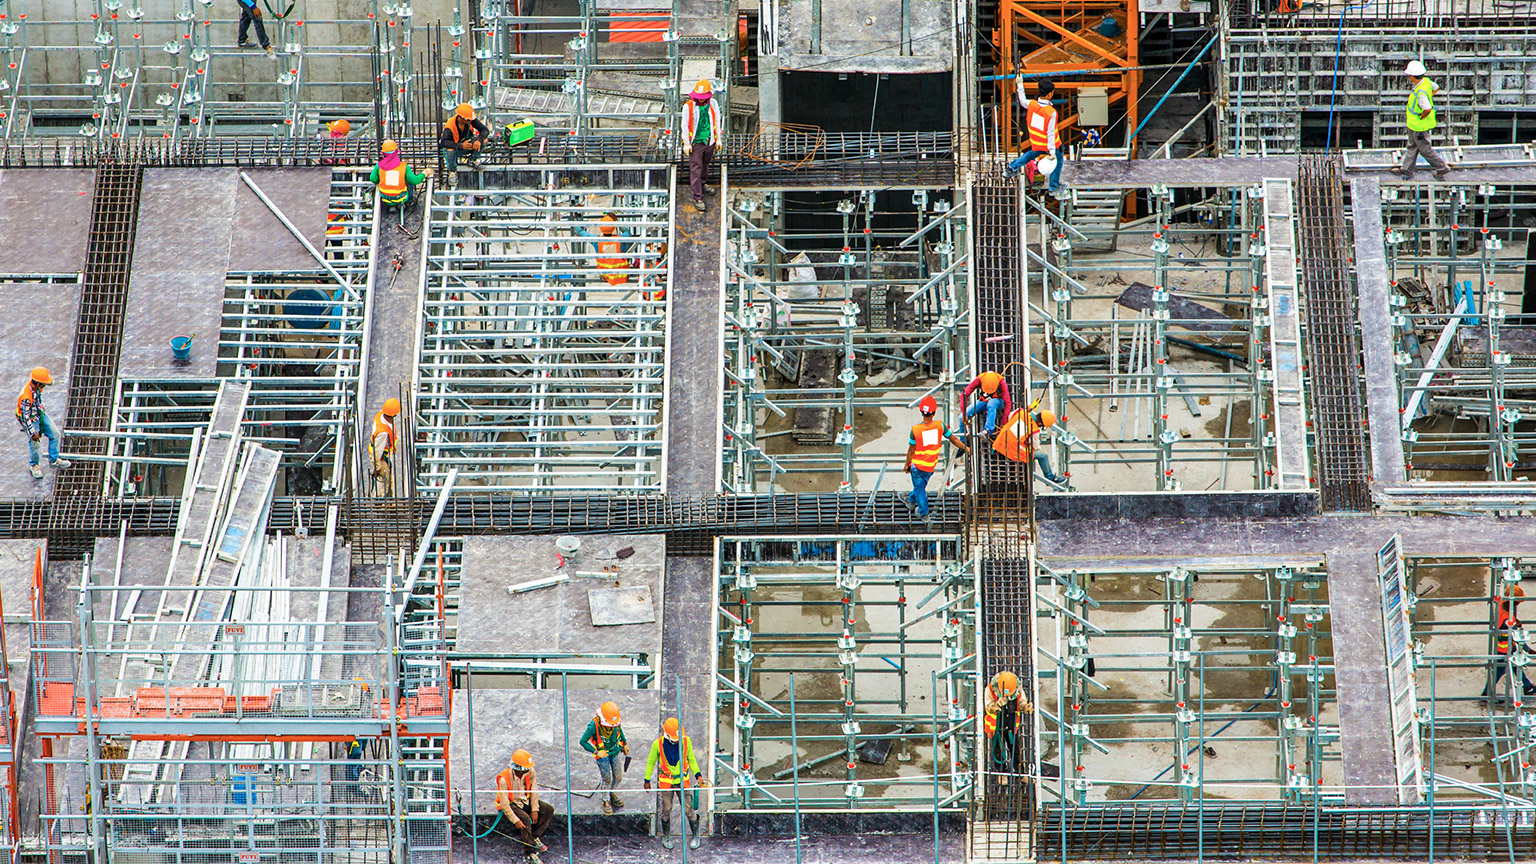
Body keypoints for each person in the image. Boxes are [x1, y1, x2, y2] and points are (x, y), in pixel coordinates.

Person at [902, 395, 969, 521]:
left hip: (917, 466)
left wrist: (907, 464)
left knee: (919, 488)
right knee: (919, 486)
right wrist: (966, 448)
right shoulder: (940, 426)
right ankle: (911, 500)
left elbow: (911, 450)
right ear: (934, 413)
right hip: (930, 466)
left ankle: (923, 513)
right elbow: (953, 439)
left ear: (921, 411)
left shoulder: (915, 430)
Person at [643, 717, 703, 850]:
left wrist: (698, 775)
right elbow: (651, 762)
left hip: (682, 781)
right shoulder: (657, 745)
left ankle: (696, 835)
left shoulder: (686, 741)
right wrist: (647, 780)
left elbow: (691, 759)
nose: (678, 741)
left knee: (689, 809)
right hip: (667, 783)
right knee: (666, 809)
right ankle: (666, 835)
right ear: (667, 735)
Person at [1391, 60, 1453, 181]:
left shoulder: (1421, 93)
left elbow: (1427, 108)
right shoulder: (1426, 82)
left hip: (1420, 126)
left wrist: (1422, 115)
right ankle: (1407, 170)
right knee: (1412, 146)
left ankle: (1441, 168)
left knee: (1425, 150)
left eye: (1410, 75)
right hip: (1415, 125)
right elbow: (1436, 88)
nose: (1409, 77)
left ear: (1413, 76)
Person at [1004, 80, 1063, 195]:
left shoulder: (1032, 104)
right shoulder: (1051, 112)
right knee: (1058, 160)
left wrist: (1020, 85)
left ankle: (1011, 168)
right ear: (1050, 94)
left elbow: (1022, 101)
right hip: (1051, 144)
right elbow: (1050, 133)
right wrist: (1052, 152)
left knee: (1030, 155)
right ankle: (1053, 187)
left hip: (1036, 142)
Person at [495, 749, 555, 863]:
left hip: (524, 801)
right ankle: (530, 853)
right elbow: (504, 804)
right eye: (524, 769)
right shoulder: (504, 779)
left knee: (548, 809)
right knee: (525, 819)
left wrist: (535, 810)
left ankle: (534, 837)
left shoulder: (530, 772)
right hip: (512, 804)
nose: (527, 771)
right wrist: (515, 820)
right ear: (517, 768)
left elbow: (534, 791)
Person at [991, 403, 1065, 485]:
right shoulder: (1034, 429)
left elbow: (1010, 415)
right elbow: (1036, 447)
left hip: (999, 442)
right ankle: (1050, 477)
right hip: (1011, 449)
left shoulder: (1021, 413)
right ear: (1040, 424)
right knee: (1043, 456)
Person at [16, 367, 69, 480]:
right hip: (31, 418)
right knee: (35, 444)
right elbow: (25, 417)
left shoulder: (36, 387)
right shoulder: (26, 397)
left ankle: (54, 460)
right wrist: (32, 432)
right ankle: (34, 465)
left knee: (55, 434)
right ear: (39, 383)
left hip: (39, 413)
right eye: (44, 384)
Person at [1485, 586, 1535, 701]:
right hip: (1504, 648)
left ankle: (1527, 687)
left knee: (1517, 666)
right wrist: (1529, 650)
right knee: (1500, 670)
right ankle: (1486, 694)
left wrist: (1515, 622)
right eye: (1517, 601)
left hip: (1508, 646)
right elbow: (1515, 636)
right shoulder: (1506, 618)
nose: (1518, 604)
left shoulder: (1503, 604)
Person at [579, 701, 629, 815]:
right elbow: (583, 741)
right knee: (606, 778)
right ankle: (606, 800)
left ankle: (611, 791)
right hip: (602, 755)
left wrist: (625, 743)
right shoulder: (594, 725)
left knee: (618, 777)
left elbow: (619, 730)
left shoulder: (615, 721)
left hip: (615, 750)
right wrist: (597, 752)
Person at [983, 671, 1034, 774]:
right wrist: (997, 705)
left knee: (1015, 748)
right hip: (996, 725)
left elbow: (1021, 702)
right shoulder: (990, 690)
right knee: (998, 749)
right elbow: (988, 707)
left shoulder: (1016, 688)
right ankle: (1002, 772)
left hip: (1011, 723)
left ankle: (1020, 771)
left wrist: (1025, 707)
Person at [682, 79, 721, 211]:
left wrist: (718, 139)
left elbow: (717, 122)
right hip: (696, 143)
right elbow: (685, 126)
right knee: (696, 169)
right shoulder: (688, 106)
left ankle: (703, 184)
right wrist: (687, 143)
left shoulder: (713, 104)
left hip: (709, 141)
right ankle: (698, 196)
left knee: (705, 165)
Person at [439, 103, 490, 186]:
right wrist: (461, 145)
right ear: (462, 118)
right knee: (450, 149)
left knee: (484, 140)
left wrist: (478, 140)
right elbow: (443, 142)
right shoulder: (450, 126)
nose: (471, 121)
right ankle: (452, 171)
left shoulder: (469, 119)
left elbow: (485, 130)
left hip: (467, 145)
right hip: (455, 149)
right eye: (469, 120)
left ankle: (472, 160)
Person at [370, 140, 432, 209]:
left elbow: (373, 179)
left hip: (384, 197)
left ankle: (391, 205)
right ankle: (409, 202)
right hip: (400, 197)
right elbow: (415, 180)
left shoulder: (379, 166)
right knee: (409, 181)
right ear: (396, 152)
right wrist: (425, 173)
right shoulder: (403, 167)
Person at [964, 371, 1013, 438]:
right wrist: (964, 414)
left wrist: (1003, 422)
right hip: (985, 400)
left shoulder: (1001, 382)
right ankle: (963, 444)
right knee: (961, 417)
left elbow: (1007, 403)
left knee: (991, 403)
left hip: (998, 401)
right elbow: (964, 395)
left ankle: (988, 431)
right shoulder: (979, 379)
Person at [369, 398, 400, 496]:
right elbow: (376, 451)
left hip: (382, 454)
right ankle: (384, 503)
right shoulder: (383, 432)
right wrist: (377, 468)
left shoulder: (380, 414)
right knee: (386, 481)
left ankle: (383, 500)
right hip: (380, 457)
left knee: (384, 479)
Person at [594, 214, 630, 286]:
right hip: (622, 277)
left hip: (605, 276)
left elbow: (581, 233)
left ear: (601, 228)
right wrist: (615, 221)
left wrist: (575, 221)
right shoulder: (620, 239)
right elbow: (628, 233)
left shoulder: (597, 241)